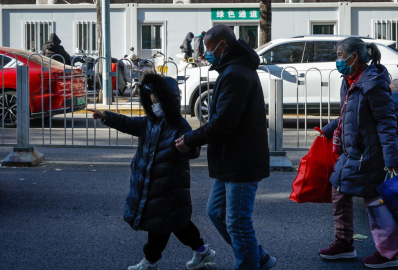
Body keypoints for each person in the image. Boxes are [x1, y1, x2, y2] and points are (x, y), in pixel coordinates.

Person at [175, 25, 276, 270]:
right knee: (216, 212)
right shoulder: (232, 70)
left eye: (209, 48)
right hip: (230, 159)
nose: (205, 54)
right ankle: (259, 257)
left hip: (241, 161)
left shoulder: (235, 74)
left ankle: (250, 264)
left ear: (223, 45)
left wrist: (190, 140)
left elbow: (222, 123)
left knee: (237, 222)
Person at [90, 74, 216, 270]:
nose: (154, 104)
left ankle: (150, 261)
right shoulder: (150, 122)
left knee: (159, 227)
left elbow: (192, 148)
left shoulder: (179, 126)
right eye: (152, 101)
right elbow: (128, 124)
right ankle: (202, 251)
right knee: (179, 224)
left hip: (169, 188)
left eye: (158, 100)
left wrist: (189, 148)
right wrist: (106, 117)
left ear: (169, 100)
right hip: (155, 186)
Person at [317, 37, 398, 269]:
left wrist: (392, 159)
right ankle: (344, 243)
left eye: (339, 54)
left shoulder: (372, 83)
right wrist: (327, 130)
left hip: (370, 155)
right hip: (352, 153)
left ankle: (390, 254)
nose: (337, 59)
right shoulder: (350, 79)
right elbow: (348, 112)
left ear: (353, 57)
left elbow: (386, 122)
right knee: (339, 192)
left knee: (374, 203)